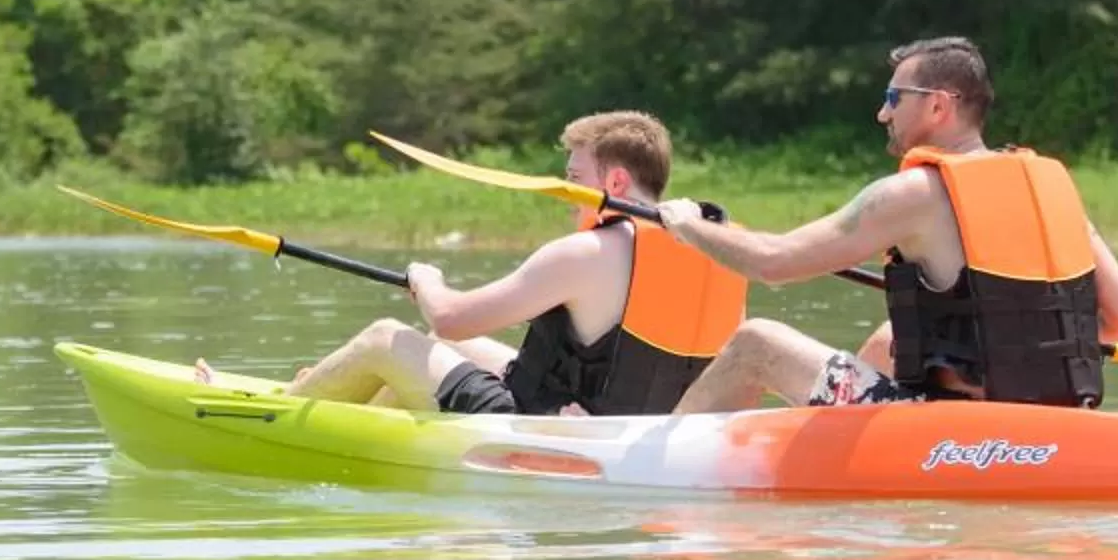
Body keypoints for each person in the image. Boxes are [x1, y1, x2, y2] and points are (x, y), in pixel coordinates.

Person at [657, 37, 1118, 412]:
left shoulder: (914, 193)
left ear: (938, 105)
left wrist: (686, 225)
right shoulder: (1052, 188)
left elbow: (773, 264)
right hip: (1055, 414)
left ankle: (660, 462)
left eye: (895, 97)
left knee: (756, 342)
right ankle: (821, 445)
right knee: (888, 339)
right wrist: (1021, 340)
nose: (882, 113)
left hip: (958, 426)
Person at [209, 111, 747, 417]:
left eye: (574, 178)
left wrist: (427, 282)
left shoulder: (585, 252)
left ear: (616, 184)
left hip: (539, 430)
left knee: (385, 338)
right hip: (625, 428)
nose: (567, 193)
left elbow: (449, 317)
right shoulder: (720, 254)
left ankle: (264, 417)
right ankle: (337, 404)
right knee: (447, 352)